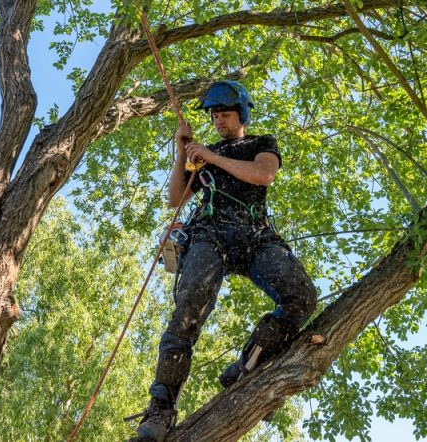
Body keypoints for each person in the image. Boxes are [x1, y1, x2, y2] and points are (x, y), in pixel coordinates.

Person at [134, 80, 317, 441]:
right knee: (189, 308)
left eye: (225, 114)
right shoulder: (203, 156)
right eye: (214, 115)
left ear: (242, 113)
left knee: (302, 298)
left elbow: (263, 174)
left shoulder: (259, 144)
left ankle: (246, 365)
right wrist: (182, 152)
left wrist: (212, 157)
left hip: (254, 234)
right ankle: (161, 407)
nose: (218, 120)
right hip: (210, 234)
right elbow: (175, 199)